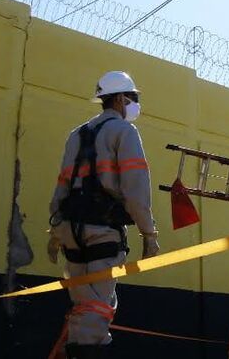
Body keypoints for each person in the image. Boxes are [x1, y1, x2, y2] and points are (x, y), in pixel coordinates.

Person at [47, 70, 159, 358]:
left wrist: (56, 233)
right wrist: (149, 233)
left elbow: (63, 184)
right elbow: (136, 190)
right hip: (102, 231)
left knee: (84, 304)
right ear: (121, 99)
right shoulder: (124, 131)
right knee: (97, 309)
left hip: (70, 230)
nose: (134, 105)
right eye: (132, 99)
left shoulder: (77, 135)